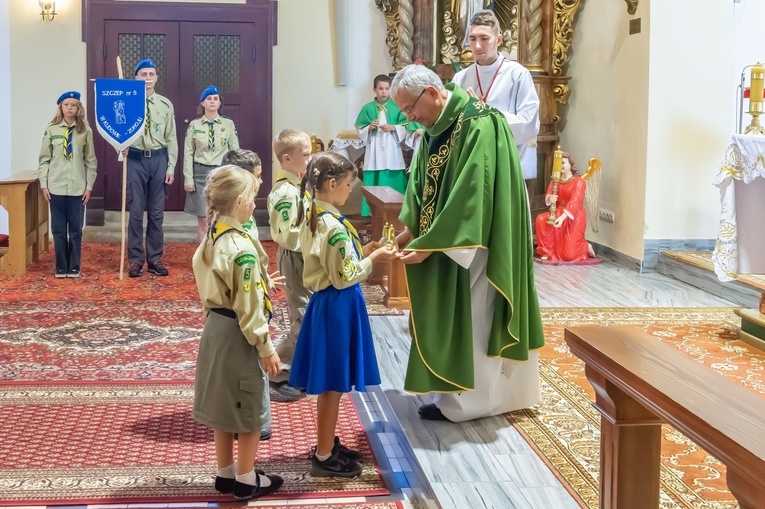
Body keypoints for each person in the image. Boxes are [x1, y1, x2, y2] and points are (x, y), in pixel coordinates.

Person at [390, 64, 545, 422]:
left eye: (411, 109)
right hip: (448, 239)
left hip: (480, 241)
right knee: (455, 311)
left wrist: (432, 243)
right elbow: (423, 181)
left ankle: (476, 403)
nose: (411, 118)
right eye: (405, 114)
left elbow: (473, 192)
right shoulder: (436, 125)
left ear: (431, 92)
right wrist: (413, 228)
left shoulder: (477, 122)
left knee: (477, 313)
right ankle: (453, 396)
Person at [289, 152, 397, 476]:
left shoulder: (317, 215)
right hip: (338, 305)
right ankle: (324, 455)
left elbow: (333, 262)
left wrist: (362, 250)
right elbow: (343, 274)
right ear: (332, 183)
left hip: (332, 304)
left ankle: (327, 443)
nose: (351, 190)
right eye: (349, 184)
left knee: (333, 383)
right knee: (333, 385)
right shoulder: (332, 227)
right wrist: (374, 258)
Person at [191, 165, 283, 500]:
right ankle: (246, 479)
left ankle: (225, 472)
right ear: (241, 201)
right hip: (239, 333)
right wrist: (265, 346)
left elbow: (221, 281)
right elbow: (248, 306)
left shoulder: (213, 233)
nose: (255, 205)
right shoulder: (241, 248)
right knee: (249, 407)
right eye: (253, 199)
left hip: (216, 326)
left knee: (223, 404)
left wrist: (262, 281)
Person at [451, 10, 540, 180]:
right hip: (469, 168)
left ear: (498, 40)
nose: (477, 46)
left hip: (506, 168)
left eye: (484, 39)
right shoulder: (460, 78)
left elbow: (529, 124)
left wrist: (485, 113)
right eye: (472, 39)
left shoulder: (518, 75)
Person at [266, 129, 312, 399]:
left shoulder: (297, 185)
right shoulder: (285, 192)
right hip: (294, 257)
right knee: (303, 316)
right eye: (305, 155)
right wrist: (314, 238)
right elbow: (285, 234)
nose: (310, 158)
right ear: (286, 159)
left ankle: (299, 369)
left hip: (303, 256)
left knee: (309, 314)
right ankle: (276, 371)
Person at [125, 59, 178, 278]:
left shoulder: (165, 105)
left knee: (156, 214)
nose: (147, 78)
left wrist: (171, 167)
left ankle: (155, 259)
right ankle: (135, 260)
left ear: (156, 78)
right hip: (135, 160)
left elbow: (171, 137)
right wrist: (121, 147)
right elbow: (118, 130)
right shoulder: (127, 102)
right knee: (136, 212)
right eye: (143, 74)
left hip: (158, 160)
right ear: (135, 78)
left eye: (151, 74)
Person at [37, 90, 97, 278]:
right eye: (66, 104)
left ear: (79, 108)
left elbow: (90, 161)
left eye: (74, 105)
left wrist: (89, 187)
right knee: (58, 230)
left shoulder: (85, 132)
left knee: (76, 230)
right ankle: (61, 266)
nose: (70, 107)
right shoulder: (51, 130)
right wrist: (44, 185)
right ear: (61, 107)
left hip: (78, 188)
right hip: (56, 186)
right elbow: (44, 159)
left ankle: (74, 266)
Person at [184, 86, 240, 241]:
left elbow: (234, 152)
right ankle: (204, 256)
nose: (212, 101)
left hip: (220, 174)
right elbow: (188, 153)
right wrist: (188, 178)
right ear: (202, 103)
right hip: (200, 173)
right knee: (203, 219)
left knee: (220, 217)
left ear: (220, 102)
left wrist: (234, 176)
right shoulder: (194, 125)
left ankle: (218, 253)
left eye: (216, 98)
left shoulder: (228, 124)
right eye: (209, 98)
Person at [355, 74, 409, 215]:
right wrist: (370, 128)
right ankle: (371, 211)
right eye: (380, 88)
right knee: (374, 171)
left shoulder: (396, 106)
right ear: (374, 90)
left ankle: (397, 207)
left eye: (386, 88)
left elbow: (406, 126)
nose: (384, 92)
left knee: (393, 171)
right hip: (374, 147)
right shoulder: (367, 108)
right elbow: (360, 130)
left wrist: (394, 128)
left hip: (392, 147)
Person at [534, 152, 596, 262]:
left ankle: (585, 247)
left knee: (569, 255)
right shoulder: (555, 180)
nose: (560, 166)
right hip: (557, 211)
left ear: (570, 165)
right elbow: (548, 195)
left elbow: (575, 202)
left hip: (574, 215)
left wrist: (562, 218)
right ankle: (546, 251)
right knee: (541, 219)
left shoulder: (579, 181)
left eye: (562, 163)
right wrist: (550, 198)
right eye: (557, 163)